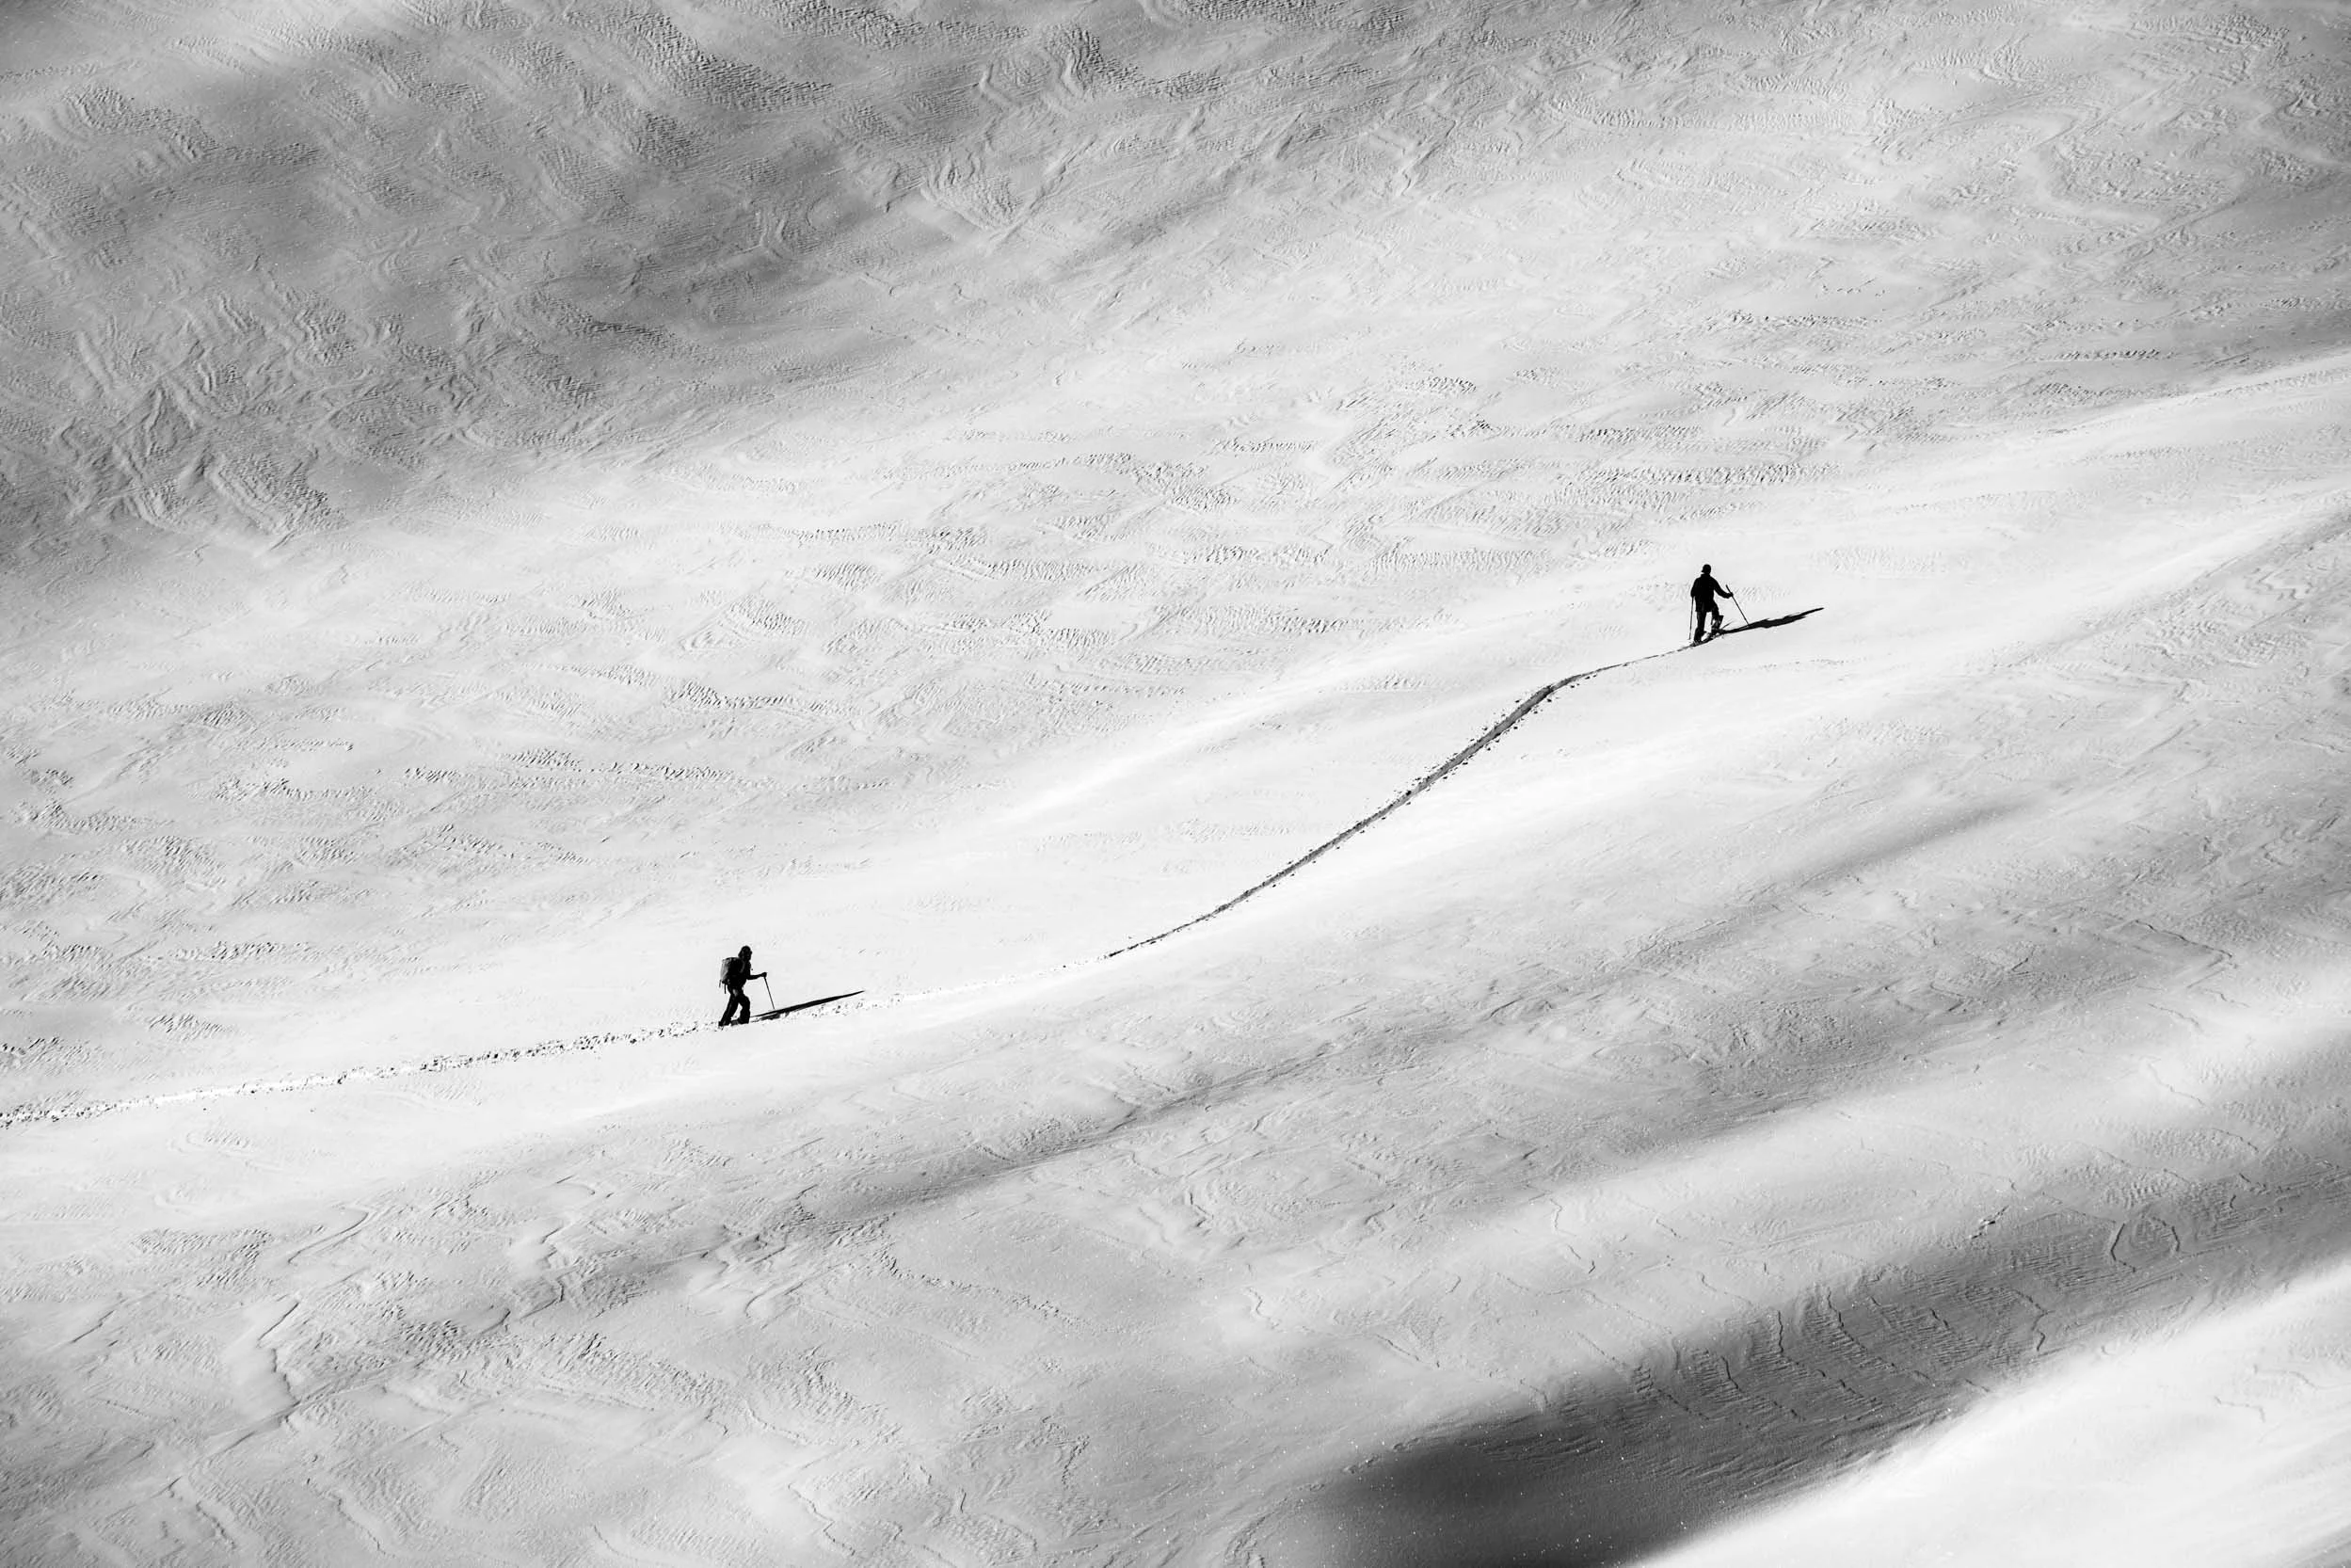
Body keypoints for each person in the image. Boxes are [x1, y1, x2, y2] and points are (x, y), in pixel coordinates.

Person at [718, 945, 764, 1027]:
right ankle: (743, 1022)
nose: (750, 956)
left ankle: (724, 1022)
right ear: (746, 954)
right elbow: (747, 977)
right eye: (749, 954)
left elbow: (747, 977)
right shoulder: (742, 963)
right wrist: (760, 975)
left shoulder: (743, 963)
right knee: (746, 1003)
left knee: (732, 1005)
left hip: (733, 987)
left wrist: (760, 975)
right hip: (735, 987)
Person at [1690, 564, 1735, 644]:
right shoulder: (1711, 580)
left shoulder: (1697, 580)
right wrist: (1728, 595)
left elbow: (1692, 593)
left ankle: (1696, 639)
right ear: (1709, 571)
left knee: (1700, 623)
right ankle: (1715, 627)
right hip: (1709, 603)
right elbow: (1720, 592)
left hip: (1699, 605)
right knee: (1715, 609)